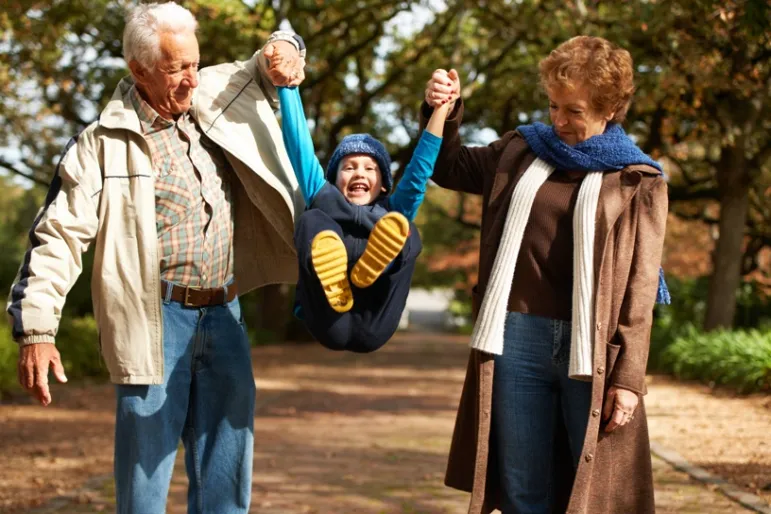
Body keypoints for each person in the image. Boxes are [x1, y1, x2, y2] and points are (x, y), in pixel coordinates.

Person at [6, 3, 306, 512]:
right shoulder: (101, 143)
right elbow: (57, 234)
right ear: (138, 70)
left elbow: (271, 55)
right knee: (144, 487)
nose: (190, 80)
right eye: (174, 69)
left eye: (193, 63)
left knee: (228, 483)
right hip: (154, 323)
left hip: (225, 314)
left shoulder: (215, 92)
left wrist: (286, 50)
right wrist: (36, 329)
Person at [422, 36, 669, 514]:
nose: (558, 121)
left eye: (574, 111)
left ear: (610, 108)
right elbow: (448, 166)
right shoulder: (521, 150)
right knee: (522, 491)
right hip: (517, 338)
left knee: (594, 491)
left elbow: (640, 288)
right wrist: (443, 111)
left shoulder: (640, 180)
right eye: (553, 105)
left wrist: (630, 378)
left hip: (593, 349)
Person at [275, 81, 450, 353]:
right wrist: (286, 86)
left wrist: (441, 109)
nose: (359, 173)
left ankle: (378, 263)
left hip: (375, 319)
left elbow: (420, 168)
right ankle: (332, 275)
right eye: (349, 167)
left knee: (406, 230)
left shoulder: (393, 208)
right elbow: (298, 144)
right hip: (329, 318)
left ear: (383, 183)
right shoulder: (322, 196)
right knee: (311, 220)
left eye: (370, 167)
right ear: (333, 178)